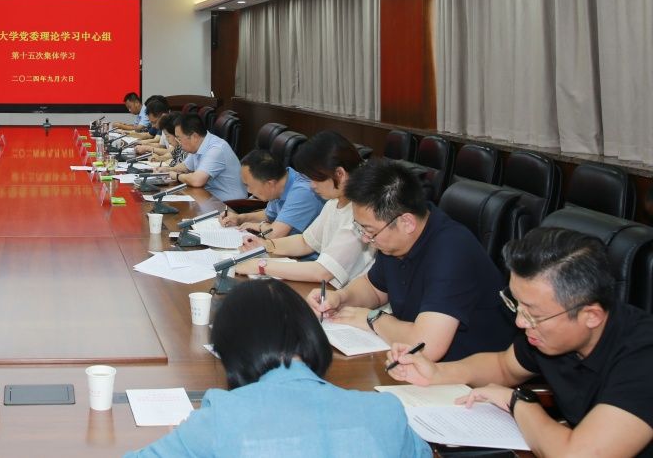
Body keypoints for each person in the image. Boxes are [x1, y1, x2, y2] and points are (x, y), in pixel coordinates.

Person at [387, 227, 653, 457]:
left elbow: (575, 454)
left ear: (590, 316)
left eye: (533, 314)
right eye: (517, 305)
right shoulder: (551, 333)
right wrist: (437, 373)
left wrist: (519, 402)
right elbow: (504, 366)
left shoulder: (644, 358)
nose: (520, 322)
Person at [127, 278, 430, 457]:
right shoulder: (386, 411)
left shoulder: (218, 420)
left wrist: (188, 439)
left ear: (231, 348)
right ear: (312, 333)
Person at [308, 159, 514, 362]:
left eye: (369, 230)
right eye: (360, 228)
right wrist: (341, 298)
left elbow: (425, 346)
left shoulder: (452, 252)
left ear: (406, 222)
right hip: (415, 363)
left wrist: (373, 318)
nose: (364, 238)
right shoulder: (395, 240)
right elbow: (374, 288)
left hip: (466, 373)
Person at [235, 131, 374, 285]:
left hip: (342, 293)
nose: (312, 186)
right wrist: (265, 245)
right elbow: (305, 242)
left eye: (316, 179)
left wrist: (261, 266)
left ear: (339, 174)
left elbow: (322, 272)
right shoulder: (334, 202)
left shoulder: (362, 213)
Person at [220, 150, 324, 238]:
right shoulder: (281, 183)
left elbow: (274, 234)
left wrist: (259, 226)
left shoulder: (302, 192)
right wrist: (240, 218)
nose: (249, 191)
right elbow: (268, 215)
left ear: (269, 184)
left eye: (249, 185)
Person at [156, 113, 247, 202]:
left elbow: (197, 181)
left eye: (179, 139)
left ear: (194, 136)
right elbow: (185, 166)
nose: (179, 143)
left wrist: (177, 176)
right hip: (210, 197)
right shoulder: (198, 145)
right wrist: (168, 170)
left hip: (231, 205)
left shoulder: (216, 149)